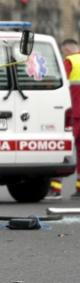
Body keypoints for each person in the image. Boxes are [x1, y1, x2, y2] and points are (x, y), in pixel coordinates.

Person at [61, 39, 80, 199]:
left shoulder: (69, 62)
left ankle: (54, 188)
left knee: (61, 148)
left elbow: (60, 84)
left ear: (66, 50)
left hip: (74, 113)